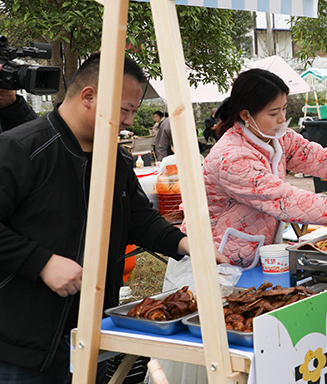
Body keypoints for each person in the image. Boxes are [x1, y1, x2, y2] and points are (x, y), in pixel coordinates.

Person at [0, 53, 202, 383]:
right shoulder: (21, 149)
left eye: (134, 111)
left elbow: (138, 217)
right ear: (89, 96)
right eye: (125, 110)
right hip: (20, 344)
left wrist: (184, 242)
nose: (129, 121)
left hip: (93, 332)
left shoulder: (116, 160)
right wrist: (42, 262)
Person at [202, 68, 327, 268]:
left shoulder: (277, 137)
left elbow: (321, 158)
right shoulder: (231, 158)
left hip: (257, 255)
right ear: (246, 115)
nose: (282, 118)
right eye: (274, 112)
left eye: (284, 108)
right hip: (218, 260)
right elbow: (286, 200)